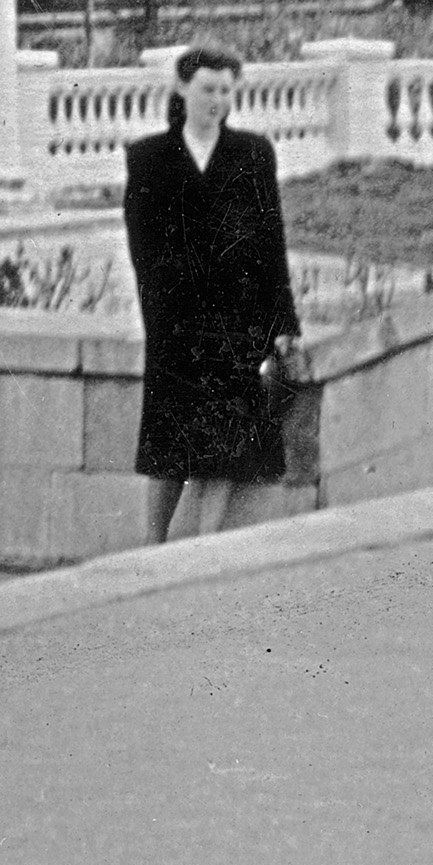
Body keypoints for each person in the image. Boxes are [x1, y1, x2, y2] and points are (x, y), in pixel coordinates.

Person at [123, 42, 302, 545]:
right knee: (168, 448)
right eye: (207, 89)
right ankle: (152, 547)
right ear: (182, 88)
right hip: (176, 326)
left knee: (226, 446)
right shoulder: (150, 157)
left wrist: (283, 323)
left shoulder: (252, 153)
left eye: (225, 90)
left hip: (239, 323)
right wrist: (160, 320)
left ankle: (204, 545)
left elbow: (272, 239)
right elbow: (144, 252)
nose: (217, 100)